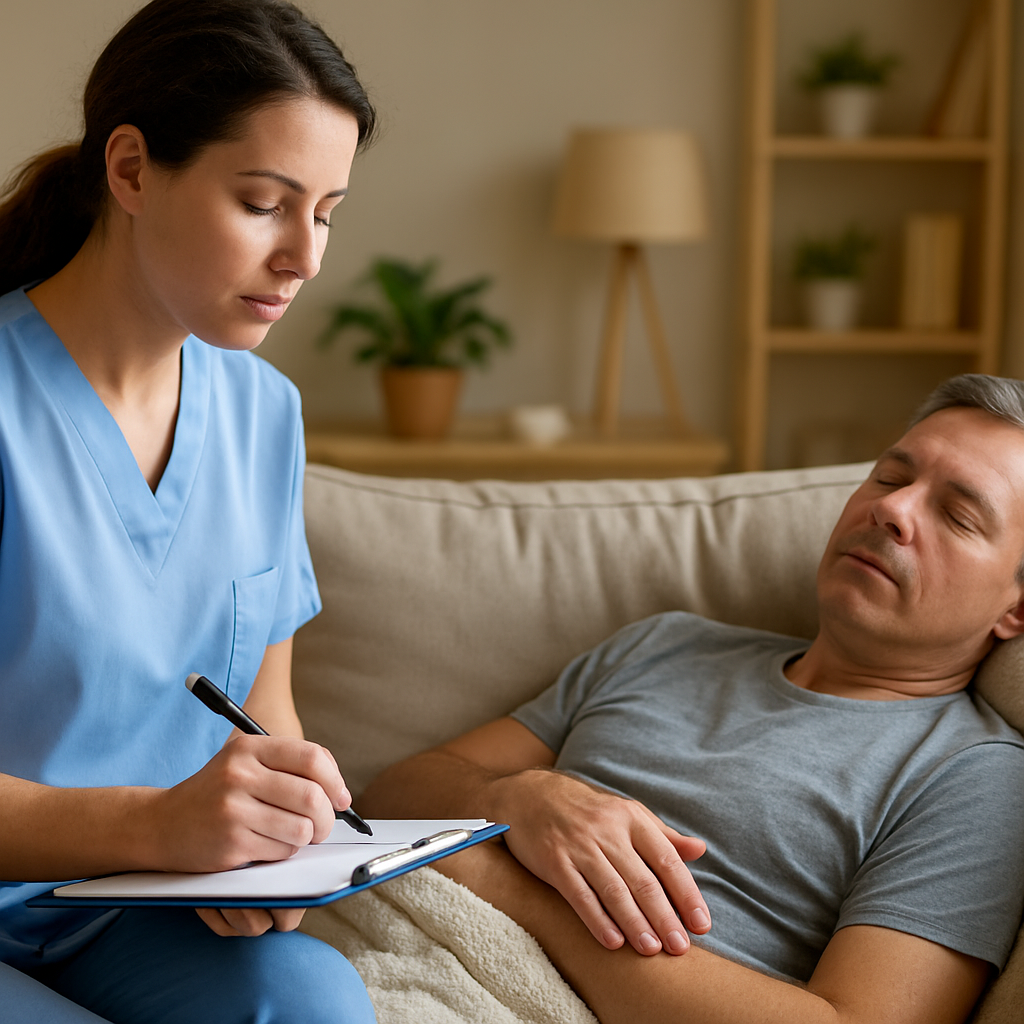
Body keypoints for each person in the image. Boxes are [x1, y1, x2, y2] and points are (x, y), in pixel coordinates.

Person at [362, 373, 1024, 1024]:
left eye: (960, 516)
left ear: (1015, 609)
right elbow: (388, 795)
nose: (894, 509)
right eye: (889, 477)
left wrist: (507, 889)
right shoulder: (666, 645)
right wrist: (511, 799)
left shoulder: (976, 778)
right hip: (371, 938)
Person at [0, 1, 379, 1021]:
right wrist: (158, 826)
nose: (305, 256)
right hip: (83, 878)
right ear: (129, 170)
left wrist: (279, 832)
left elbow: (268, 707)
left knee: (316, 1006)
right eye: (265, 202)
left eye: (328, 211)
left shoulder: (266, 414)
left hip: (139, 909)